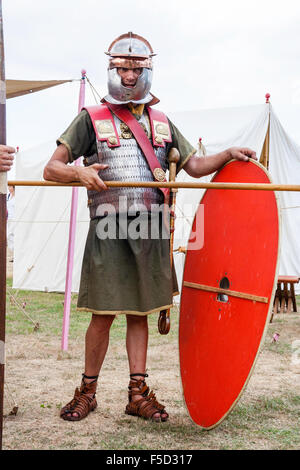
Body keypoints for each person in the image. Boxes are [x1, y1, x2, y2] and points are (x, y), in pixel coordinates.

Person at [43, 32, 257, 423]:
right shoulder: (91, 118)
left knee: (139, 313)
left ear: (147, 70)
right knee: (102, 314)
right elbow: (50, 168)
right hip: (109, 228)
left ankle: (137, 394)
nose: (128, 75)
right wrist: (78, 173)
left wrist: (227, 154)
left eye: (136, 68)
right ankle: (87, 392)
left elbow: (193, 167)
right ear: (112, 69)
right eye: (122, 67)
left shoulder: (162, 121)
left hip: (151, 228)